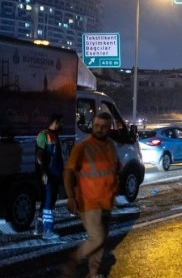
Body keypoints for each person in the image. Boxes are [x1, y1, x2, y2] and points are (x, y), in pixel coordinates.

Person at [62, 112, 120, 278]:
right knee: (97, 238)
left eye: (103, 127)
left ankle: (93, 273)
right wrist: (71, 197)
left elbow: (113, 169)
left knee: (100, 243)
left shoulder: (110, 145)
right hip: (88, 203)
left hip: (106, 202)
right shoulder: (83, 147)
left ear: (109, 128)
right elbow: (68, 172)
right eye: (96, 126)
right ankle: (72, 261)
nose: (99, 129)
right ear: (92, 126)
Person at [34, 114, 65, 239]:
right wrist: (44, 173)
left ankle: (39, 227)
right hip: (49, 175)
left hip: (55, 175)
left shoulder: (55, 136)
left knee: (48, 202)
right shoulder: (44, 135)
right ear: (55, 122)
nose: (62, 125)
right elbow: (39, 155)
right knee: (48, 203)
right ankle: (47, 231)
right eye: (61, 123)